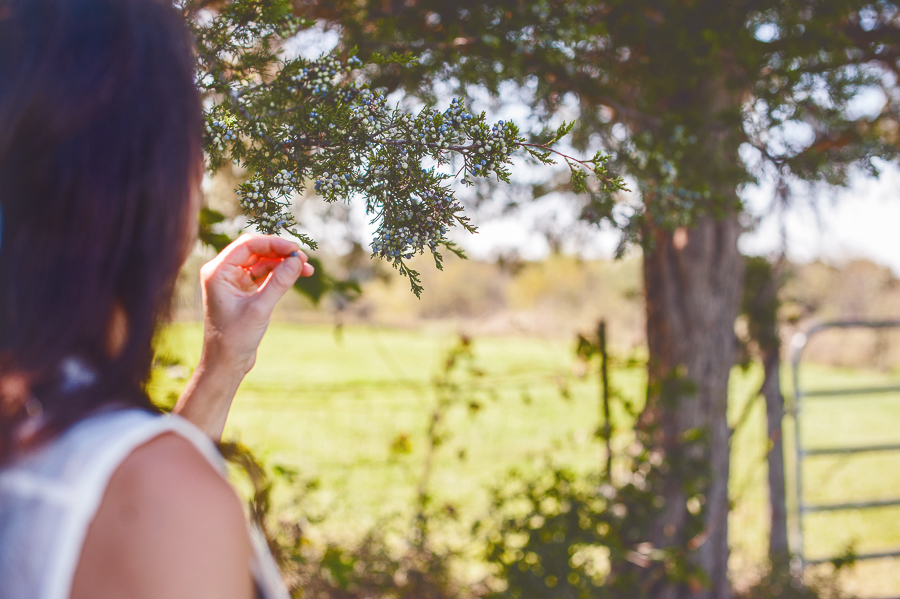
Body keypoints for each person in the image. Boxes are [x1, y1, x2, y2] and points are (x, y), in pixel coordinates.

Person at [0, 0, 314, 597]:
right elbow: (124, 502)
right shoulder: (164, 503)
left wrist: (225, 360)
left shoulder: (30, 413)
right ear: (146, 184)